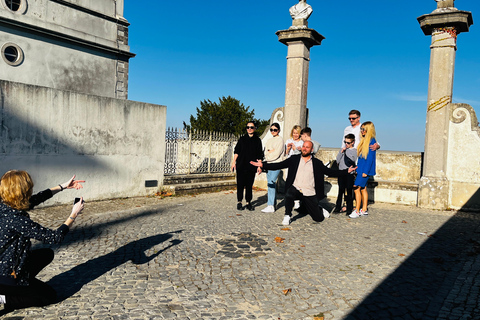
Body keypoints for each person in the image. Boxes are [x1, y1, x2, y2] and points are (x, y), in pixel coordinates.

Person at [0, 170, 85, 312]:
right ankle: (5, 297)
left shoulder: (5, 205)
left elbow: (37, 198)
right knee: (49, 296)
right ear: (23, 191)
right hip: (6, 276)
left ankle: (20, 286)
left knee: (46, 254)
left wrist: (63, 186)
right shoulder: (18, 220)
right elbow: (55, 237)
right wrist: (73, 215)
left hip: (5, 265)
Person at [250, 141, 356, 226]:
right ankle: (287, 215)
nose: (304, 149)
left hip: (309, 192)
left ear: (312, 150)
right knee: (290, 193)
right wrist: (263, 165)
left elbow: (330, 172)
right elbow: (279, 165)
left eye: (307, 147)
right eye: (303, 146)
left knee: (318, 218)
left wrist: (346, 172)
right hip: (296, 189)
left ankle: (319, 209)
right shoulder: (294, 159)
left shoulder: (317, 163)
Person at [231, 121, 264, 211]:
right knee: (240, 185)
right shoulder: (242, 139)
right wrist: (233, 162)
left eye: (251, 127)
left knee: (249, 185)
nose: (249, 129)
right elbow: (236, 151)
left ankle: (248, 202)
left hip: (251, 167)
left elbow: (259, 155)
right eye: (248, 127)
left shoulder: (257, 140)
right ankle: (239, 202)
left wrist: (259, 166)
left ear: (255, 128)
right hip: (241, 166)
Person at [350, 122, 377, 218]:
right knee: (363, 189)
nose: (362, 131)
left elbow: (369, 159)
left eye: (364, 129)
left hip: (364, 170)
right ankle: (364, 209)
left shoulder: (371, 142)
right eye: (361, 129)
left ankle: (357, 210)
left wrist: (365, 172)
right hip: (360, 169)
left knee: (356, 187)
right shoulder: (364, 141)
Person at [261, 123, 284, 213]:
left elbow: (276, 153)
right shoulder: (269, 140)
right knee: (270, 184)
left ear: (278, 130)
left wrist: (269, 153)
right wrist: (269, 153)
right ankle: (272, 205)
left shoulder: (280, 140)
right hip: (269, 164)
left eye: (275, 130)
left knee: (271, 183)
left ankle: (270, 205)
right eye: (271, 130)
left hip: (276, 164)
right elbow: (266, 152)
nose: (273, 131)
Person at [334, 134, 357, 215]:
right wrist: (341, 152)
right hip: (341, 172)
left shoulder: (355, 151)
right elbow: (337, 161)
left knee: (349, 191)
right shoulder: (342, 150)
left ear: (353, 142)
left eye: (348, 142)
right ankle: (337, 207)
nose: (346, 144)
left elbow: (355, 163)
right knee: (340, 191)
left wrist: (354, 172)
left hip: (349, 174)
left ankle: (349, 209)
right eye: (345, 142)